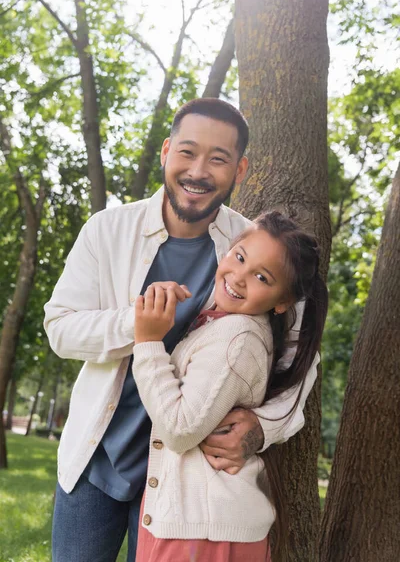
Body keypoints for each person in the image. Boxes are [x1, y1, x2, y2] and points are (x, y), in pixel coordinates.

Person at [44, 98, 320, 562]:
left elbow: (299, 361)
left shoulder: (255, 249)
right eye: (188, 152)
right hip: (96, 459)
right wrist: (138, 323)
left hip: (188, 478)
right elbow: (60, 328)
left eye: (218, 159)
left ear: (240, 169)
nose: (198, 171)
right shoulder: (106, 230)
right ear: (167, 151)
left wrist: (262, 427)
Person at [132, 211, 328, 561]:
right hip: (200, 525)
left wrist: (148, 343)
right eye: (239, 257)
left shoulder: (236, 338)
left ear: (283, 303)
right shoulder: (222, 323)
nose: (238, 278)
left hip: (202, 534)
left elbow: (179, 430)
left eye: (261, 277)